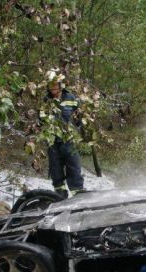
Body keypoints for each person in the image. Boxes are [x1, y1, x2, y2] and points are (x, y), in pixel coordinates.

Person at [45, 69, 84, 199]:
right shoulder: (46, 100)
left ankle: (78, 195)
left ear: (61, 86)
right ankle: (60, 195)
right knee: (56, 170)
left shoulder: (71, 98)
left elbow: (80, 117)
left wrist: (80, 123)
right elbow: (41, 119)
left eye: (55, 88)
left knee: (74, 167)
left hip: (69, 140)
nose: (54, 91)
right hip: (52, 141)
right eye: (51, 88)